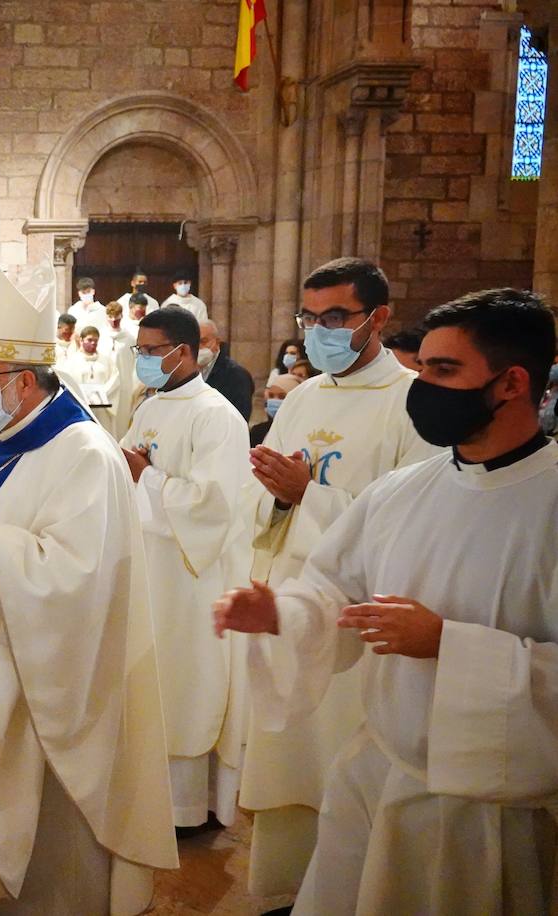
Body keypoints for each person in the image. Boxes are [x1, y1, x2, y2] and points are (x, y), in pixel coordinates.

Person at [215, 288, 558, 914]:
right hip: (381, 772)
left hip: (495, 813)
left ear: (512, 382)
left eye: (444, 371)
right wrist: (282, 615)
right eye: (422, 366)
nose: (421, 385)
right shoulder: (402, 492)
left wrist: (448, 647)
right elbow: (333, 589)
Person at [0, 251, 177, 915]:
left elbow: (78, 582)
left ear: (27, 382)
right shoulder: (11, 435)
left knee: (53, 864)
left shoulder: (83, 453)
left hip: (52, 683)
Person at [236, 257, 442, 901]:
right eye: (310, 317)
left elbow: (416, 522)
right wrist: (277, 496)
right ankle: (286, 892)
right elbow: (265, 502)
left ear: (377, 318)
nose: (318, 330)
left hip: (354, 622)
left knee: (339, 770)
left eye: (334, 317)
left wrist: (311, 494)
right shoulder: (301, 397)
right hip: (294, 603)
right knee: (285, 757)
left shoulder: (414, 403)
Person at [120, 307, 251, 831]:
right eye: (141, 351)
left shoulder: (216, 415)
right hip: (150, 567)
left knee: (187, 679)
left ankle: (189, 808)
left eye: (153, 352)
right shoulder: (151, 407)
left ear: (186, 351)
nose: (145, 361)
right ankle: (151, 796)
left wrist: (146, 477)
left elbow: (213, 506)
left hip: (192, 575)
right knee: (151, 678)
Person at [198, 318, 254, 420]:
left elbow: (240, 417)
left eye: (203, 342)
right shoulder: (187, 371)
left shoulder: (237, 376)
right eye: (194, 343)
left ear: (217, 342)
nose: (198, 347)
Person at [99, 302, 140, 439]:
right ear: (106, 317)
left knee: (122, 422)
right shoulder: (101, 337)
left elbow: (136, 362)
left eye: (117, 316)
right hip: (106, 388)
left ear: (122, 315)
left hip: (125, 386)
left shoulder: (129, 338)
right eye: (110, 316)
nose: (113, 319)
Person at [65, 324, 114, 411]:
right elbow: (69, 384)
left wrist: (100, 396)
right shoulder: (72, 361)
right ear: (81, 340)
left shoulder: (106, 361)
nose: (93, 343)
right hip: (81, 406)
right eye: (89, 340)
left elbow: (114, 381)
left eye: (96, 340)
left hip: (102, 408)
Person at [249, 372, 301, 448]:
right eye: (271, 395)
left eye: (282, 396)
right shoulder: (258, 431)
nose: (274, 400)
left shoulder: (301, 432)